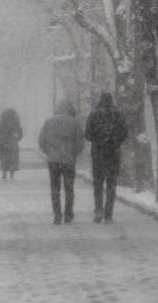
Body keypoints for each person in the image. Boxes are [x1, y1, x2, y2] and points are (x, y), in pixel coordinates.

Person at [84, 92, 129, 223]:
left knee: (98, 183)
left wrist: (98, 140)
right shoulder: (118, 114)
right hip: (113, 154)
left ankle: (98, 210)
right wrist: (115, 141)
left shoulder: (93, 114)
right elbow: (125, 133)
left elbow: (87, 135)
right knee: (111, 184)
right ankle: (108, 214)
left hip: (98, 154)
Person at [38, 100, 84, 224]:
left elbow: (41, 140)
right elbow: (80, 142)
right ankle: (68, 213)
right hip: (68, 160)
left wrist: (49, 152)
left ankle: (57, 214)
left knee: (55, 187)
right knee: (69, 188)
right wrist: (74, 153)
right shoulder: (74, 123)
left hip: (53, 160)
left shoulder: (49, 122)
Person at [0, 108, 23, 180]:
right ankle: (11, 174)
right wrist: (16, 138)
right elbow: (20, 134)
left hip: (4, 143)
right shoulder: (16, 122)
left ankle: (4, 174)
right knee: (12, 159)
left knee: (4, 159)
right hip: (13, 144)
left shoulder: (2, 123)